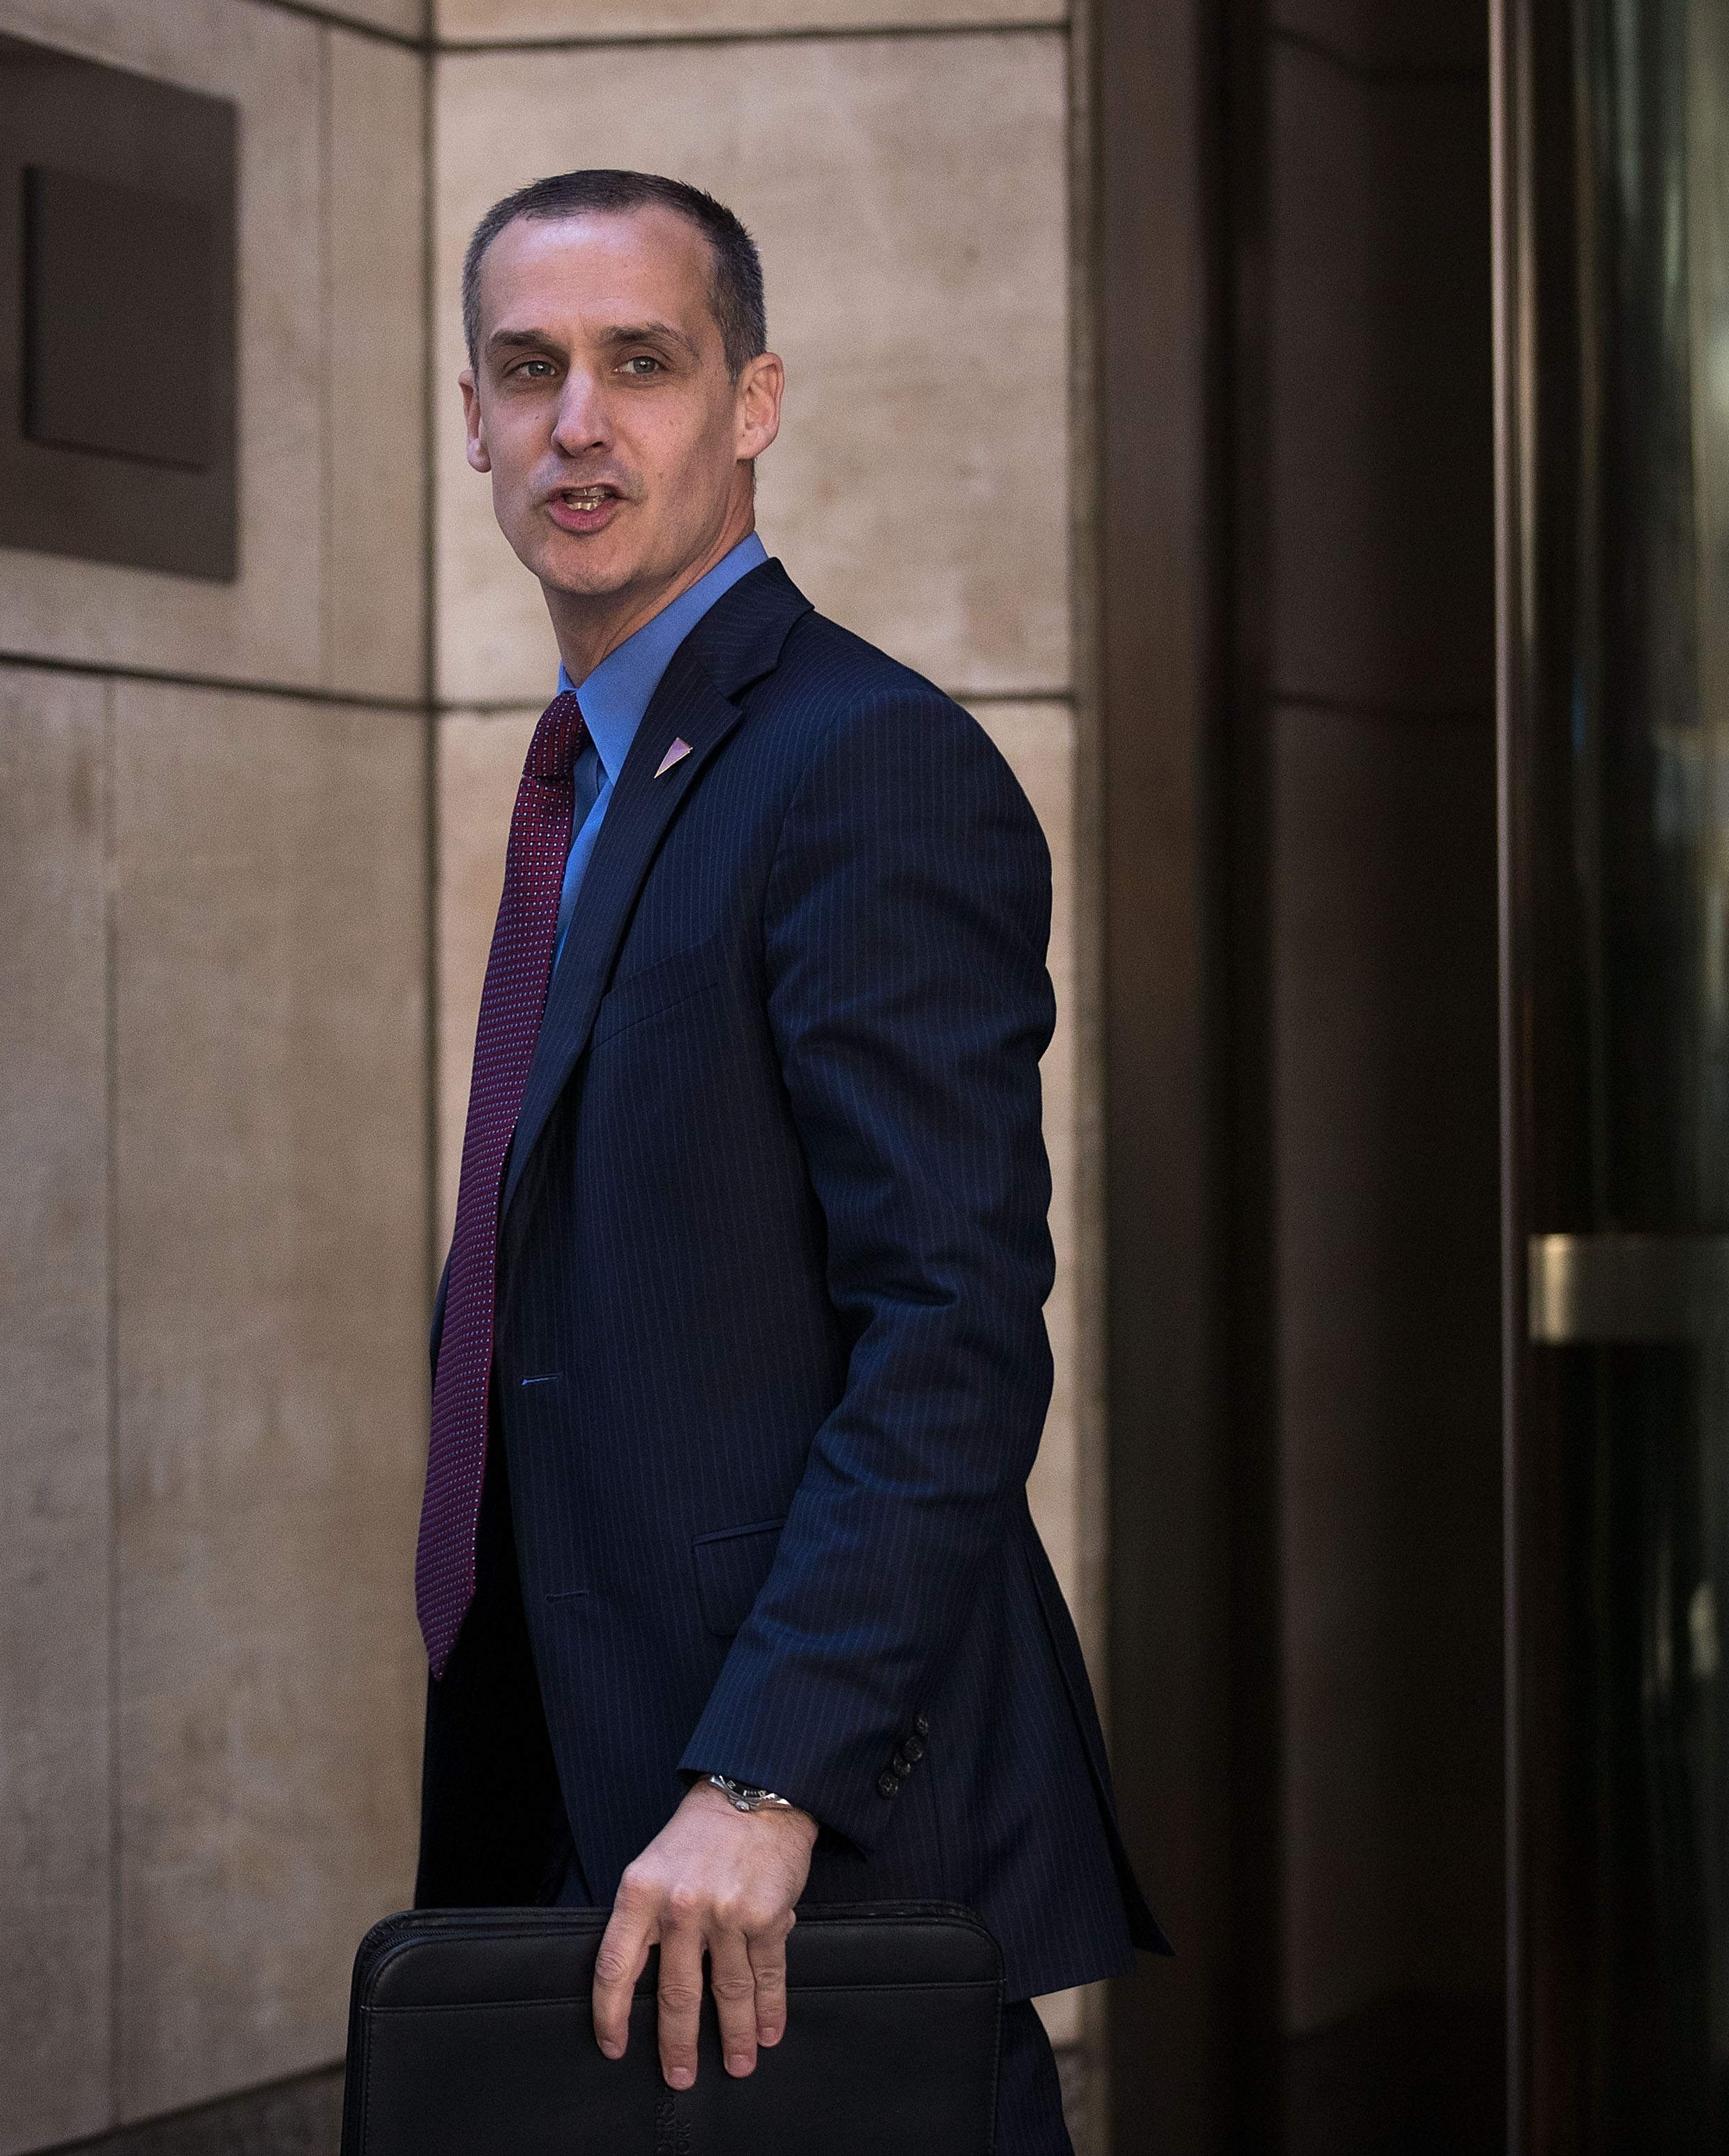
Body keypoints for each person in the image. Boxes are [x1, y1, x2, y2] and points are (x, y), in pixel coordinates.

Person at [413, 169, 1168, 2154]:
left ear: (750, 405)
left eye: (639, 363)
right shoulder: (602, 770)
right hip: (605, 1809)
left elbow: (954, 1332)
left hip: (800, 1846)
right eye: (527, 369)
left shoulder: (860, 764)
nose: (578, 420)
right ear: (473, 423)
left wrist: (766, 1781)